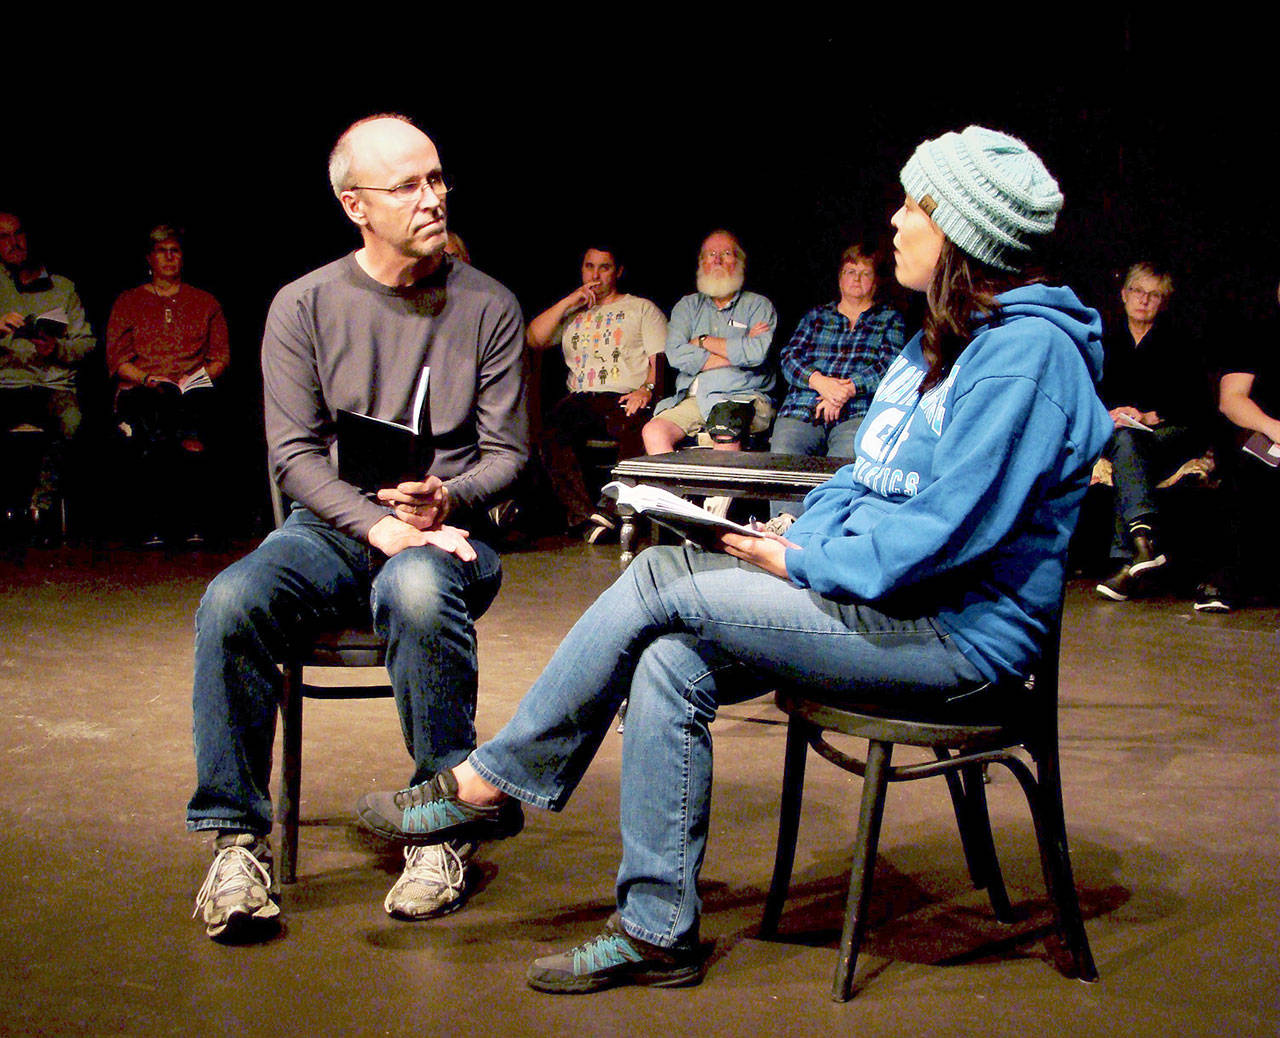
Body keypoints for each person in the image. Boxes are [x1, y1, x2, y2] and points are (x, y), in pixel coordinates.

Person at [355, 126, 1112, 994]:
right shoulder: (940, 340)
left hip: (957, 640)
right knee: (672, 660)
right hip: (889, 604)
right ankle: (655, 930)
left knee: (657, 577)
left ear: (964, 231)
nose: (896, 223)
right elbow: (858, 483)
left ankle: (489, 783)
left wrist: (797, 564)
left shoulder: (1027, 357)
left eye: (914, 206)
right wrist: (798, 537)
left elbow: (941, 538)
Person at [187, 114, 529, 941]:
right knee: (230, 602)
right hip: (334, 528)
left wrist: (446, 503)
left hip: (445, 535)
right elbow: (295, 456)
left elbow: (509, 452)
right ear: (355, 205)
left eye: (438, 179)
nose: (432, 198)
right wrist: (379, 525)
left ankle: (440, 822)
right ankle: (236, 841)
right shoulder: (302, 305)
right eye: (407, 185)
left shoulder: (491, 306)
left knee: (417, 585)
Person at [526, 245, 666, 540]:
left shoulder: (640, 308)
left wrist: (647, 389)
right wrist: (570, 300)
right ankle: (585, 516)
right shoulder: (573, 311)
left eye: (604, 267)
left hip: (623, 394)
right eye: (589, 266)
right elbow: (534, 338)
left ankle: (612, 511)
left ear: (618, 272)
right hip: (580, 397)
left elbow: (659, 360)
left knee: (635, 429)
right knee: (548, 430)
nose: (596, 274)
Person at [105, 225, 231, 546]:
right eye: (163, 251)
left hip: (192, 387)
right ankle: (156, 524)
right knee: (153, 417)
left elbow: (220, 358)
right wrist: (146, 378)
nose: (170, 258)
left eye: (175, 251)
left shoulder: (205, 301)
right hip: (145, 387)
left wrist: (197, 377)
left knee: (198, 415)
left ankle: (196, 523)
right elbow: (117, 360)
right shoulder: (129, 301)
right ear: (150, 258)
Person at [1094, 262, 1209, 600]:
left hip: (1168, 434)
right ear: (1123, 294)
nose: (1143, 300)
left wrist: (1148, 416)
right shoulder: (1105, 341)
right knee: (1125, 441)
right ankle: (1141, 549)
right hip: (1118, 434)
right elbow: (1085, 395)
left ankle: (1131, 556)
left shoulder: (1180, 342)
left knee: (1129, 444)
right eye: (1137, 291)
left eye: (1154, 294)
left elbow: (1198, 404)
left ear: (1163, 302)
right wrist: (1108, 415)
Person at [767, 242, 905, 522]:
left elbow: (890, 365)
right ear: (840, 277)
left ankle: (821, 528)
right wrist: (820, 383)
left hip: (858, 412)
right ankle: (783, 525)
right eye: (850, 271)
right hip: (803, 407)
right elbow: (790, 357)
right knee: (784, 456)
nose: (856, 278)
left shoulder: (890, 319)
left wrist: (846, 390)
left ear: (876, 281)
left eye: (865, 273)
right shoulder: (817, 316)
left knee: (843, 468)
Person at [0, 209, 95, 545]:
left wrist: (55, 349)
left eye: (19, 234)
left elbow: (86, 343)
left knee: (73, 421)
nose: (14, 243)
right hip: (6, 385)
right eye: (4, 237)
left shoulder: (63, 288)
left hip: (51, 386)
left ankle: (43, 505)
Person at [641, 231, 776, 455]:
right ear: (701, 263)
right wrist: (738, 351)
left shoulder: (758, 305)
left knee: (725, 428)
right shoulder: (687, 306)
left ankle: (720, 492)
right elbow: (675, 355)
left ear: (740, 262)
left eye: (726, 253)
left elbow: (756, 354)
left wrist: (702, 341)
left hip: (741, 397)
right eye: (711, 254)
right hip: (694, 399)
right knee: (654, 432)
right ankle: (673, 491)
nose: (717, 260)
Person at [1194, 279, 1280, 611]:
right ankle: (1225, 579)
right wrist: (1274, 427)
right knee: (1250, 470)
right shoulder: (1255, 333)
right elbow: (1231, 401)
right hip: (1263, 436)